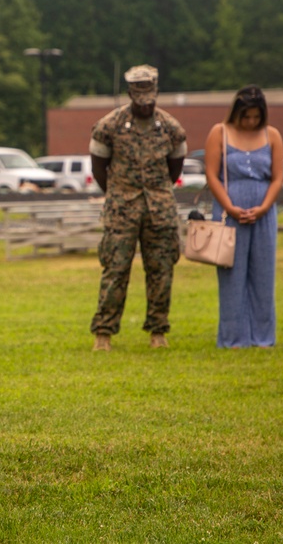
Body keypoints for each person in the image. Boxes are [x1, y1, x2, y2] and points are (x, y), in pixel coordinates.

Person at [89, 64, 187, 351]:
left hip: (160, 210)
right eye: (139, 99)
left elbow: (175, 168)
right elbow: (99, 167)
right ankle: (103, 333)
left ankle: (158, 330)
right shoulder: (110, 125)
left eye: (149, 99)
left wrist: (156, 192)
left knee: (161, 269)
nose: (144, 105)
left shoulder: (171, 128)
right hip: (122, 209)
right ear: (131, 95)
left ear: (155, 94)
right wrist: (118, 193)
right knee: (115, 269)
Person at [203, 85, 283, 348]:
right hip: (229, 213)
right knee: (232, 276)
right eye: (246, 116)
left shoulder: (272, 135)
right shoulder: (219, 132)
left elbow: (278, 177)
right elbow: (212, 175)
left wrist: (263, 208)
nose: (251, 122)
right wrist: (229, 206)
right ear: (236, 113)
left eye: (255, 117)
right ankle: (233, 338)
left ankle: (263, 337)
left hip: (263, 213)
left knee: (263, 275)